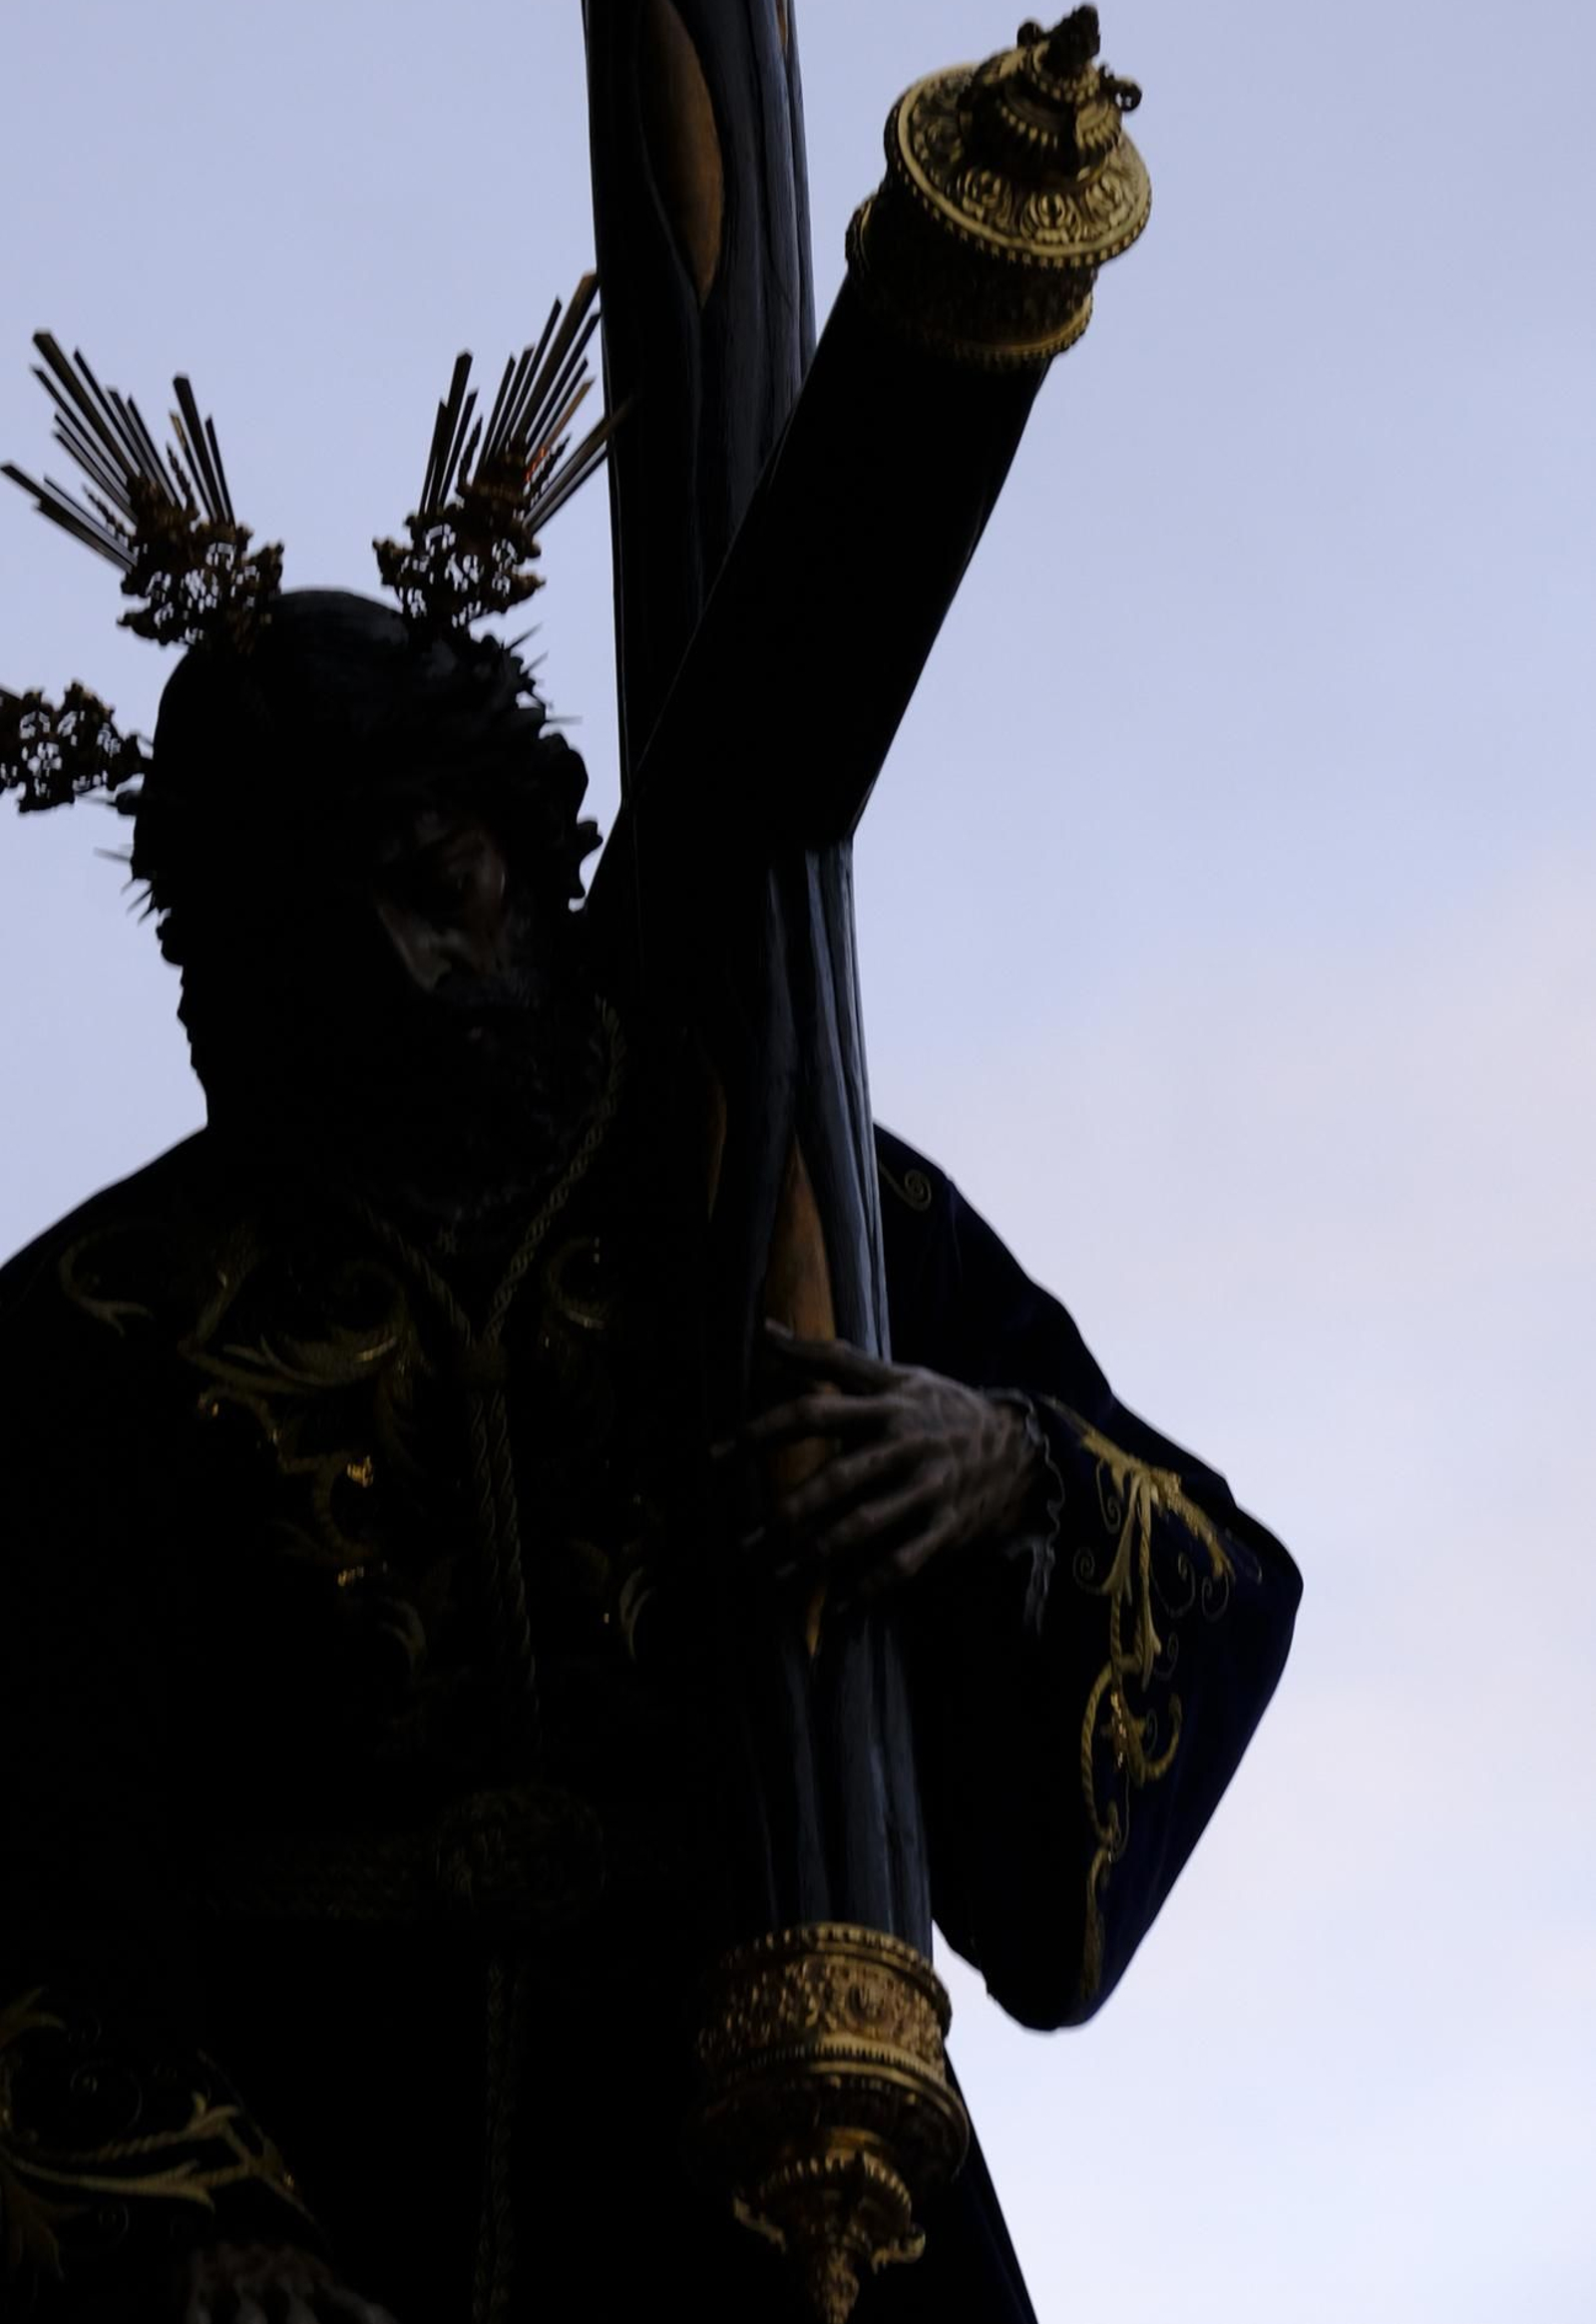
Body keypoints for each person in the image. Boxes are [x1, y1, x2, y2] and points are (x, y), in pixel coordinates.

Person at [0, 359, 1300, 2322]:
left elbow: (1202, 1555)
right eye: (272, 946)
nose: (410, 973)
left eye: (432, 888)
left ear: (507, 855)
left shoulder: (770, 1179)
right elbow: (27, 1823)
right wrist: (186, 2212)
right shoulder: (102, 1321)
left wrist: (1007, 1468)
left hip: (773, 2139)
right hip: (323, 2194)